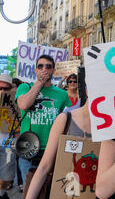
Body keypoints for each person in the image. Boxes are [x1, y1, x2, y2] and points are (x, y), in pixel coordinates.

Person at [22, 90, 91, 199]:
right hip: (61, 196)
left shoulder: (111, 129)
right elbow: (44, 166)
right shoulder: (65, 119)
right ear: (87, 89)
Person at [15, 55, 72, 184]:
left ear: (53, 70)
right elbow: (23, 105)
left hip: (52, 150)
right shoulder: (24, 88)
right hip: (28, 150)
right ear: (35, 70)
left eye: (48, 66)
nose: (44, 69)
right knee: (30, 192)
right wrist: (40, 83)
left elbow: (68, 120)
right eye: (40, 66)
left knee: (47, 194)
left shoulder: (62, 94)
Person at [0, 73, 15, 199]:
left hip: (8, 146)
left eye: (5, 89)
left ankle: (2, 193)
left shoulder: (13, 104)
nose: (2, 91)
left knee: (6, 178)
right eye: (0, 88)